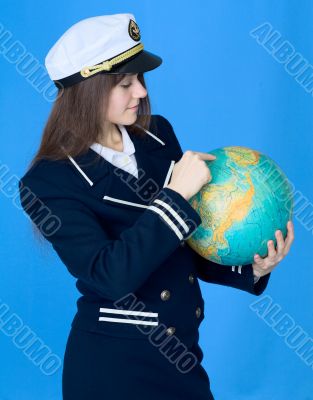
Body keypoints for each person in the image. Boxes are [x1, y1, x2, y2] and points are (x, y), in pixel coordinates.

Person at [18, 13, 294, 400]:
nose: (142, 93)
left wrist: (249, 268)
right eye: (125, 84)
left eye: (140, 80)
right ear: (87, 91)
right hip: (115, 371)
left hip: (182, 357)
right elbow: (109, 276)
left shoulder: (157, 135)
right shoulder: (47, 182)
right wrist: (176, 196)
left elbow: (182, 245)